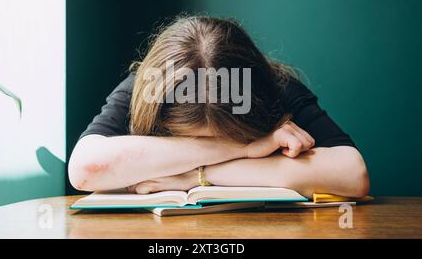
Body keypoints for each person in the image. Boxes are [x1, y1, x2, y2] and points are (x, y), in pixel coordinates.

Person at [68, 15, 369, 198]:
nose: (205, 145)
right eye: (189, 141)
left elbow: (352, 174)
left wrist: (194, 176)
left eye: (227, 137)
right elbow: (85, 170)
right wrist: (243, 149)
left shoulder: (274, 86)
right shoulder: (146, 86)